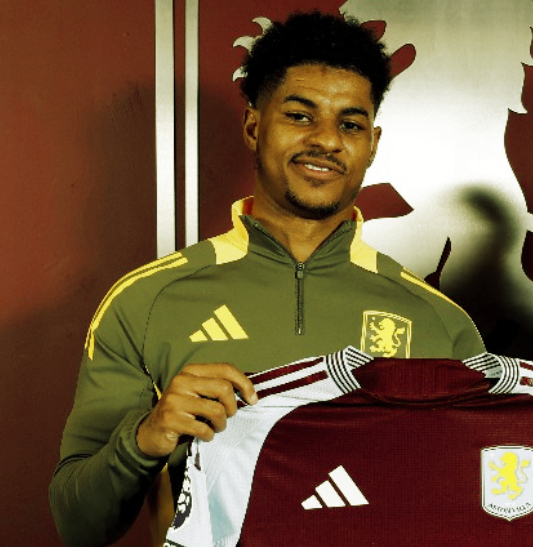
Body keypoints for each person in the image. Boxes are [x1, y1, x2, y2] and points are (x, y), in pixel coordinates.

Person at [49, 11, 484, 547]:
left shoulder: (440, 323)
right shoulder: (145, 300)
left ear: (372, 144)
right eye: (301, 116)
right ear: (255, 126)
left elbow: (479, 506)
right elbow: (77, 524)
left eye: (349, 124)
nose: (326, 140)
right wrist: (148, 436)